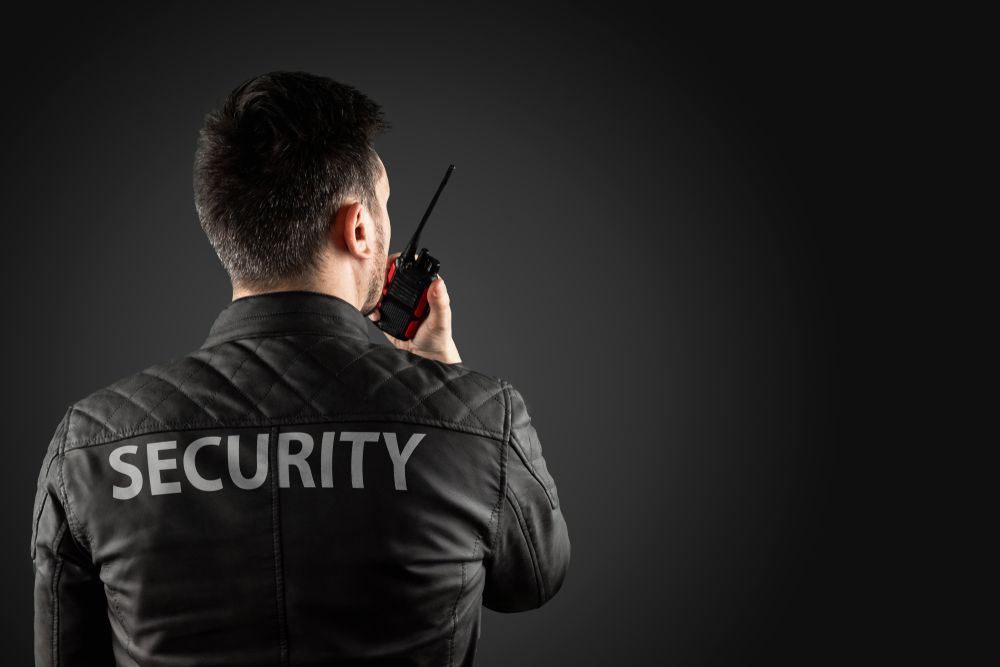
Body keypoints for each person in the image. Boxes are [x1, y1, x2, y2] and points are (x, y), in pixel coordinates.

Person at [30, 70, 570, 666]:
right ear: (359, 227)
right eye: (384, 207)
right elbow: (532, 583)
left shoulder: (90, 441)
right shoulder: (480, 419)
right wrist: (448, 388)